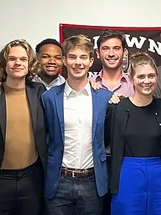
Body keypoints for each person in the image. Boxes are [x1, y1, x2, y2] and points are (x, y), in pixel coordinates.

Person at [42, 34, 112, 215]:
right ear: (64, 60)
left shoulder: (105, 98)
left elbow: (108, 137)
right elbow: (44, 137)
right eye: (72, 57)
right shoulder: (49, 98)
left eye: (83, 57)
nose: (77, 62)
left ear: (91, 60)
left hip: (92, 182)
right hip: (59, 181)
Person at [105, 52, 161, 215]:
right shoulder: (118, 108)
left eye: (151, 75)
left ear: (157, 77)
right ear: (131, 79)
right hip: (126, 175)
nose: (146, 81)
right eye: (141, 76)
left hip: (159, 174)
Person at [0, 39, 47, 215]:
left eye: (23, 59)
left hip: (32, 177)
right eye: (12, 59)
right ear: (5, 63)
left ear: (30, 64)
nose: (17, 63)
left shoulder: (39, 91)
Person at [90, 29, 134, 97]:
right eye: (106, 48)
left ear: (125, 53)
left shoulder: (134, 84)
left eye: (116, 48)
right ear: (98, 53)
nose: (111, 54)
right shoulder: (88, 84)